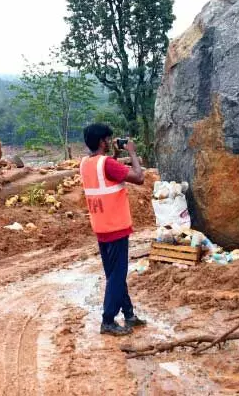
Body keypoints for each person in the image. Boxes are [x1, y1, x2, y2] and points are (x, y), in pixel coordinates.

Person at [80, 123, 147, 336]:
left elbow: (108, 177)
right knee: (117, 276)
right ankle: (108, 320)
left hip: (101, 227)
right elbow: (139, 177)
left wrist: (116, 156)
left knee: (114, 275)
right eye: (108, 140)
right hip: (116, 227)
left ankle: (128, 314)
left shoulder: (86, 164)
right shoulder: (106, 163)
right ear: (102, 141)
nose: (110, 143)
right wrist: (132, 153)